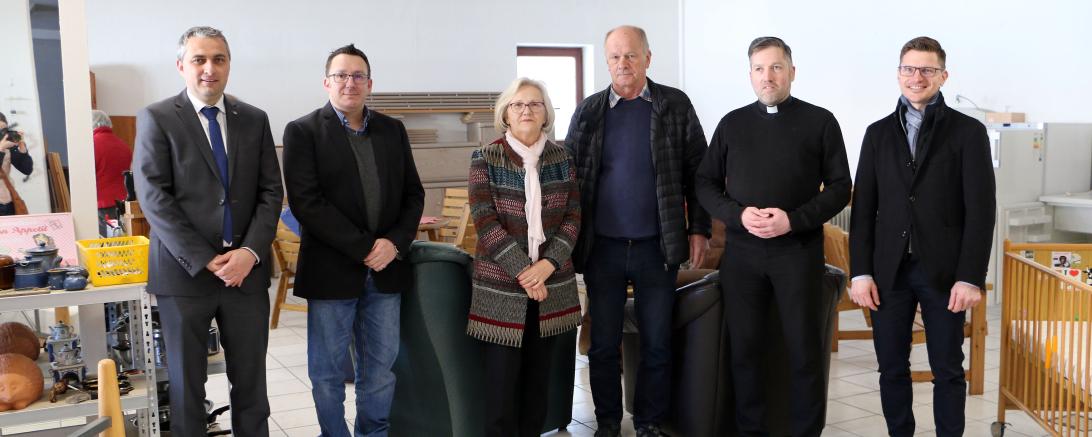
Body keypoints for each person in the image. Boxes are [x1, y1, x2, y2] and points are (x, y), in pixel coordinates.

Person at [695, 36, 851, 436]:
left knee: (803, 351)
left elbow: (839, 187)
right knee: (745, 350)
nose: (768, 76)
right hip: (743, 256)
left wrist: (793, 221)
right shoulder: (732, 123)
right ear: (750, 75)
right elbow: (706, 183)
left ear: (792, 72)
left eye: (777, 67)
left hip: (797, 253)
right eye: (760, 68)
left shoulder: (820, 121)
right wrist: (739, 215)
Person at [133, 26, 282, 437]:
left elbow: (271, 191)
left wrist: (249, 253)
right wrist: (205, 258)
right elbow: (153, 197)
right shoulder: (158, 118)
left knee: (251, 384)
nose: (209, 69)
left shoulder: (253, 119)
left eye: (218, 59)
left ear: (228, 65)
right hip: (184, 276)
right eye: (199, 59)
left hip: (246, 275)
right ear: (181, 66)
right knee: (186, 387)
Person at [565, 25, 710, 437]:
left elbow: (698, 174)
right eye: (615, 56)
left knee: (657, 343)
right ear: (606, 61)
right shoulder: (589, 111)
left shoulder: (674, 105)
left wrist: (698, 229)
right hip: (602, 249)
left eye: (631, 55)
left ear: (648, 58)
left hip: (657, 247)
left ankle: (648, 421)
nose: (623, 64)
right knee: (604, 344)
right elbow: (569, 180)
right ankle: (608, 422)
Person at [848, 36, 996, 437]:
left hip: (946, 273)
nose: (917, 77)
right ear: (899, 74)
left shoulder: (968, 132)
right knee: (891, 367)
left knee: (948, 368)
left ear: (943, 76)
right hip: (887, 273)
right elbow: (862, 212)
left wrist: (970, 276)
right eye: (909, 69)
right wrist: (859, 272)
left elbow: (981, 212)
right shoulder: (877, 134)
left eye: (927, 70)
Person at [282, 43, 424, 437]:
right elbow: (308, 204)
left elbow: (414, 194)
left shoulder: (392, 130)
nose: (350, 82)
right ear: (327, 82)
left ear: (370, 83)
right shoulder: (302, 131)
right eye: (342, 75)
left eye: (358, 76)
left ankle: (372, 433)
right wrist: (365, 248)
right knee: (327, 373)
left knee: (380, 371)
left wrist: (393, 244)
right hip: (332, 272)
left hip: (386, 271)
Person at [465, 77, 582, 437]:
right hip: (502, 290)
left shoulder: (563, 158)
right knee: (500, 392)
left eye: (534, 104)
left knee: (537, 387)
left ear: (546, 113)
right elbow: (486, 224)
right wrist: (525, 274)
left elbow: (574, 218)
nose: (526, 110)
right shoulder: (485, 157)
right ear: (505, 114)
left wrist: (546, 267)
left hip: (551, 288)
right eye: (518, 105)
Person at [91, 110, 133, 236]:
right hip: (123, 203)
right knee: (121, 243)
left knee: (106, 246)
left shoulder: (91, 144)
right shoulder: (123, 145)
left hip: (102, 205)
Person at [0, 112, 33, 216]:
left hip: (8, 200)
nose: (2, 133)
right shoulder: (3, 147)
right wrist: (0, 149)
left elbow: (27, 169)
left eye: (4, 129)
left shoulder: (9, 146)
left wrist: (22, 148)